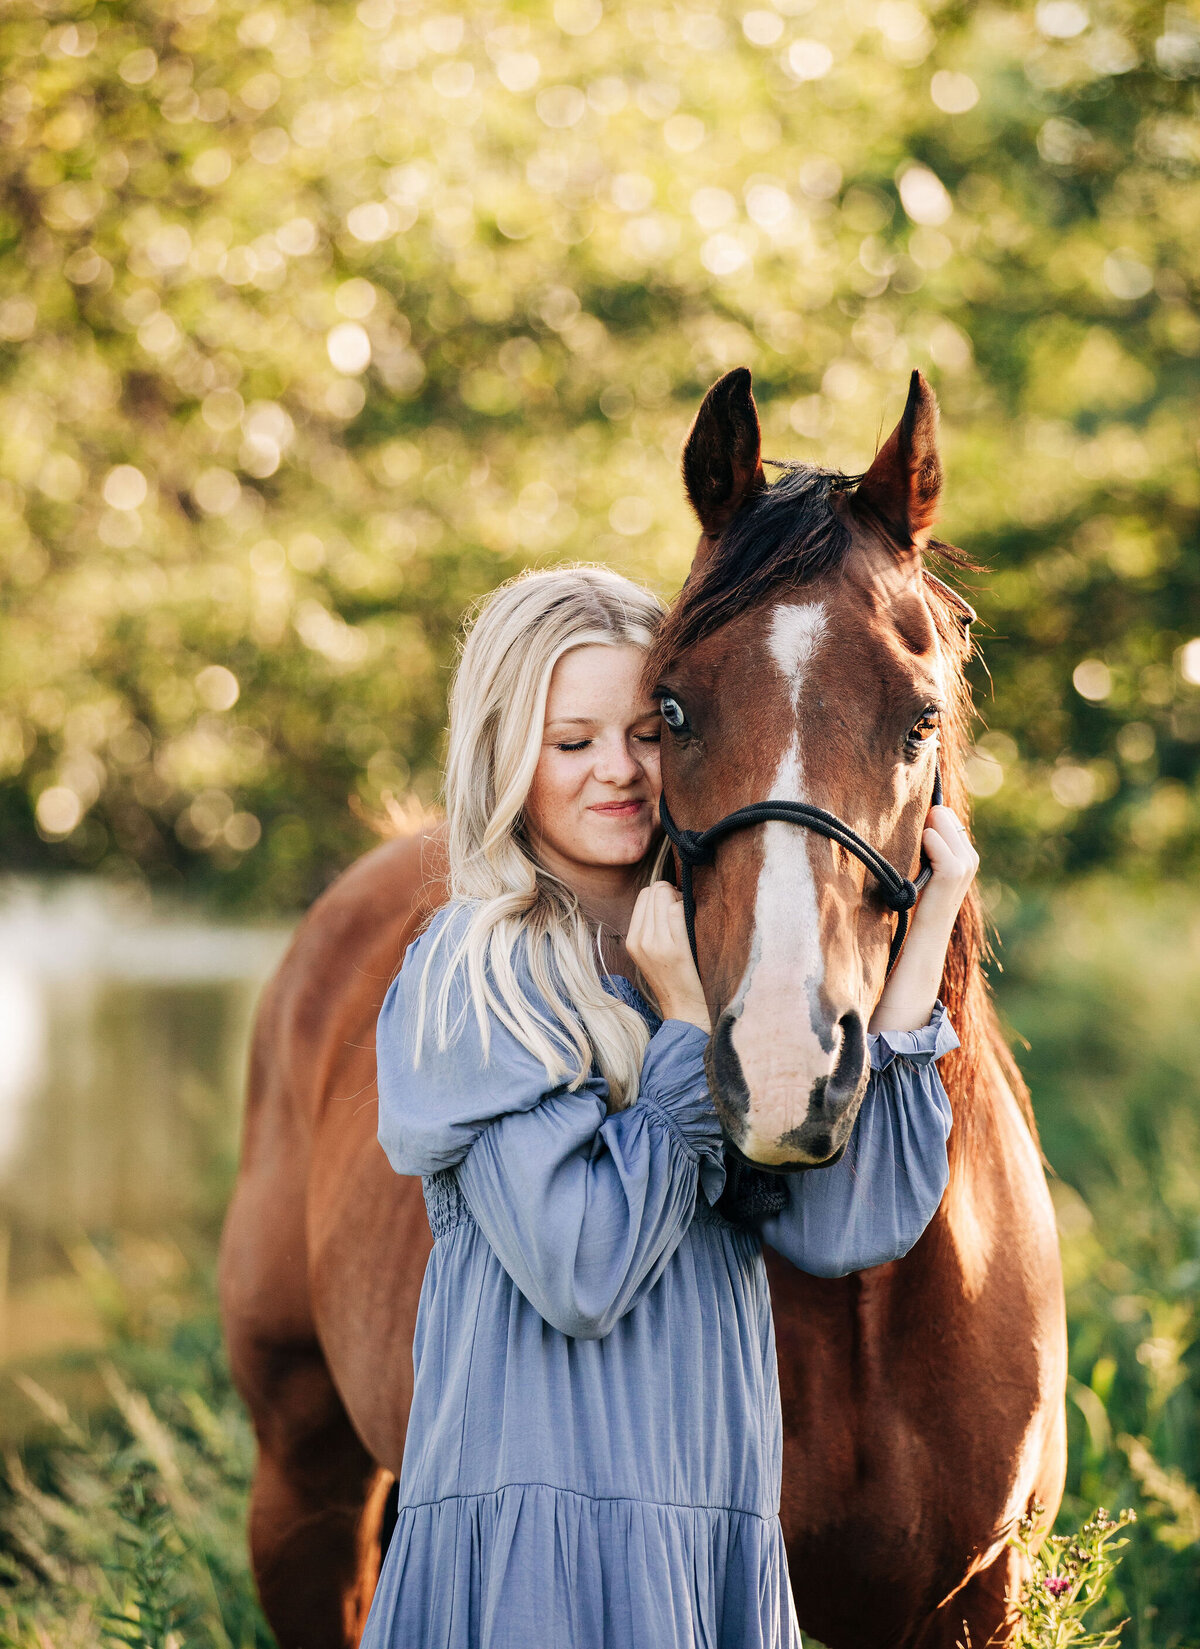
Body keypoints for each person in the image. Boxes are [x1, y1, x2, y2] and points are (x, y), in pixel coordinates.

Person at [363, 565, 976, 1649]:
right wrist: (688, 1037)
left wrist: (922, 938)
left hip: (711, 1536)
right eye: (572, 741)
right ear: (506, 759)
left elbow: (843, 1227)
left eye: (650, 730)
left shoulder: (728, 970)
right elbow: (582, 1268)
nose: (621, 770)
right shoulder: (476, 973)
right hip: (537, 1545)